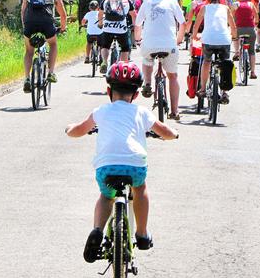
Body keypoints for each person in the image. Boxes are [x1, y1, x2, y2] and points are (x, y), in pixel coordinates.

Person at [65, 61, 179, 262]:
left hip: (106, 166)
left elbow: (79, 130)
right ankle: (142, 234)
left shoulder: (100, 111)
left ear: (109, 90)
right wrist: (174, 134)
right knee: (140, 189)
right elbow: (166, 132)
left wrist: (69, 128)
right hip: (135, 165)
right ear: (136, 95)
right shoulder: (142, 112)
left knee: (106, 196)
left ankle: (97, 230)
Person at [134, 0, 186, 120]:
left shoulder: (147, 2)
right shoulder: (172, 2)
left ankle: (148, 83)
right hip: (170, 44)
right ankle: (174, 111)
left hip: (150, 44)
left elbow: (138, 24)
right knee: (173, 76)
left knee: (146, 57)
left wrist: (138, 40)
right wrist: (179, 40)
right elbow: (183, 23)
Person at [192, 0, 237, 104]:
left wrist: (195, 36)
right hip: (224, 40)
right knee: (225, 63)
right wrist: (234, 36)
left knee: (206, 61)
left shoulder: (204, 8)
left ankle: (202, 89)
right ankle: (225, 92)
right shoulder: (226, 8)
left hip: (208, 39)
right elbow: (233, 26)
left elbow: (196, 25)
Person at [21, 0, 67, 92]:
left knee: (29, 51)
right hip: (46, 23)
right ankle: (51, 73)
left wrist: (24, 25)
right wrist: (62, 28)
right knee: (53, 44)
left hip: (29, 22)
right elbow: (63, 15)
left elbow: (22, 11)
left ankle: (27, 79)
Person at [98, 0, 135, 73]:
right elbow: (133, 15)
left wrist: (100, 24)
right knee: (125, 48)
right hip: (121, 29)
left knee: (105, 46)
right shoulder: (127, 1)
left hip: (107, 28)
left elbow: (100, 14)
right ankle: (123, 67)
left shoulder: (106, 1)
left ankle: (104, 62)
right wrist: (133, 25)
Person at [233, 0, 259, 79]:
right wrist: (255, 24)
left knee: (234, 38)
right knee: (252, 51)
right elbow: (256, 16)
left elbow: (232, 17)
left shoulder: (236, 4)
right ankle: (253, 72)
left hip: (239, 29)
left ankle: (236, 52)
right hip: (250, 29)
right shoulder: (251, 4)